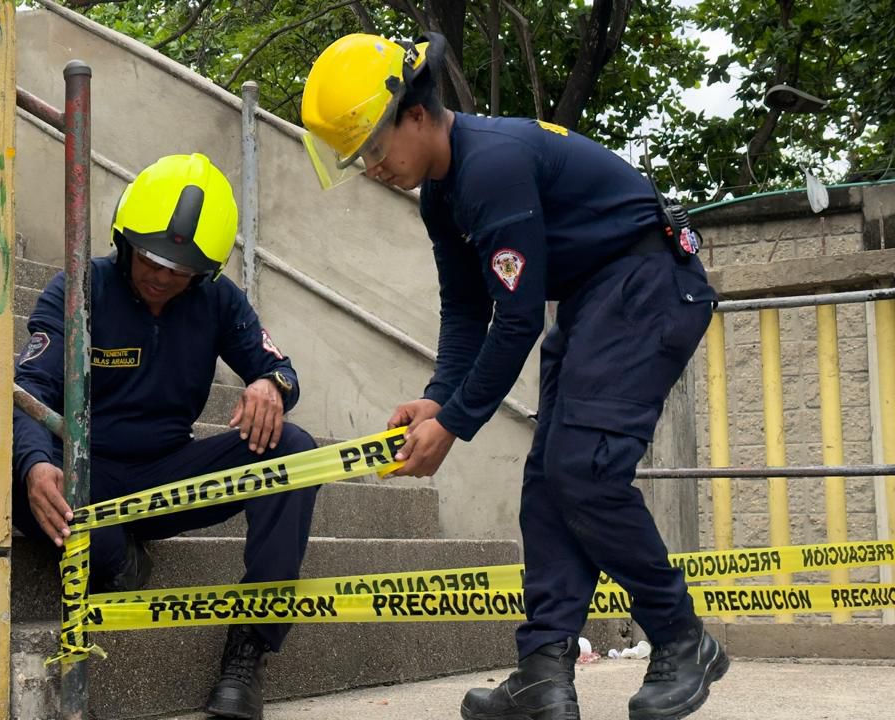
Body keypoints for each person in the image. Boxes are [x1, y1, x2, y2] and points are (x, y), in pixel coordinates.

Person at [299, 33, 727, 720]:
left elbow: (519, 320)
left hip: (647, 285)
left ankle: (682, 637)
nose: (372, 167)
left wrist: (455, 425)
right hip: (596, 298)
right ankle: (544, 673)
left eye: (375, 147)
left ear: (415, 112)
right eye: (359, 159)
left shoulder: (491, 166)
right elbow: (467, 310)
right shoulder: (442, 194)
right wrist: (438, 398)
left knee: (584, 468)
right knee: (549, 479)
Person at [12, 153, 317, 720]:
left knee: (294, 450)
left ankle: (248, 649)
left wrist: (271, 386)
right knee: (90, 538)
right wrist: (34, 465)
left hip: (165, 478)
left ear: (205, 272)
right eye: (150, 258)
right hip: (82, 476)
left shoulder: (220, 300)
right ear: (124, 240)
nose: (160, 275)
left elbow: (280, 367)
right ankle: (119, 554)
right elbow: (28, 390)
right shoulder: (78, 288)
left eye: (180, 269)